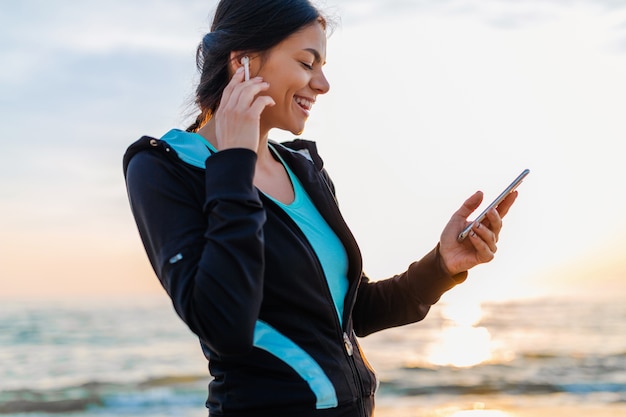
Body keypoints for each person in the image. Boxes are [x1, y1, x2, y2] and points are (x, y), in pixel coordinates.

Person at [122, 1, 518, 416]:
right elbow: (224, 324)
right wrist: (235, 164)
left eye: (323, 65)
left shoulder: (302, 166)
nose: (323, 84)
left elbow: (355, 310)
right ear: (243, 62)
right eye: (307, 63)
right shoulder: (165, 167)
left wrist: (442, 265)